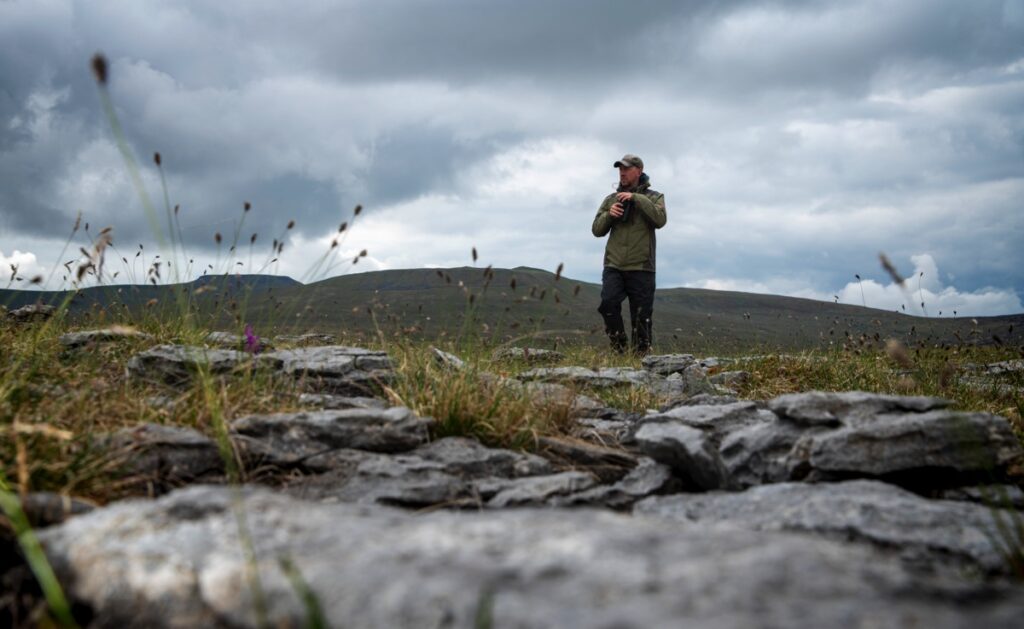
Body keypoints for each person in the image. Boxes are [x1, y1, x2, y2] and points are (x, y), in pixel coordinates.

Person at [591, 154, 667, 355]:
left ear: (639, 170)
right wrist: (609, 215)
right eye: (620, 169)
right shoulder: (610, 199)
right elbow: (596, 230)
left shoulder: (654, 197)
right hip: (614, 265)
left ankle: (641, 360)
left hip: (642, 266)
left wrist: (637, 198)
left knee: (641, 318)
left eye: (626, 168)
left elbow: (660, 220)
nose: (622, 172)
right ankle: (619, 348)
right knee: (608, 304)